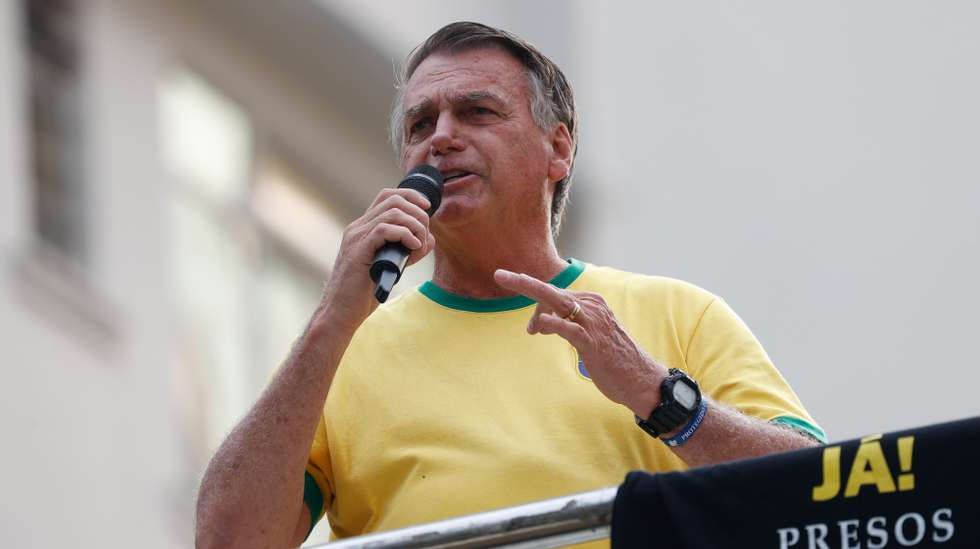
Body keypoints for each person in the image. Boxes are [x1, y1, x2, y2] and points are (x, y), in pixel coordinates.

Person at [195, 21, 825, 549]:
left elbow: (813, 493)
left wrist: (657, 395)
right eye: (420, 125)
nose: (441, 137)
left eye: (476, 112)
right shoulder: (345, 348)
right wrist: (333, 315)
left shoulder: (677, 313)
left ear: (557, 150)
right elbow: (227, 540)